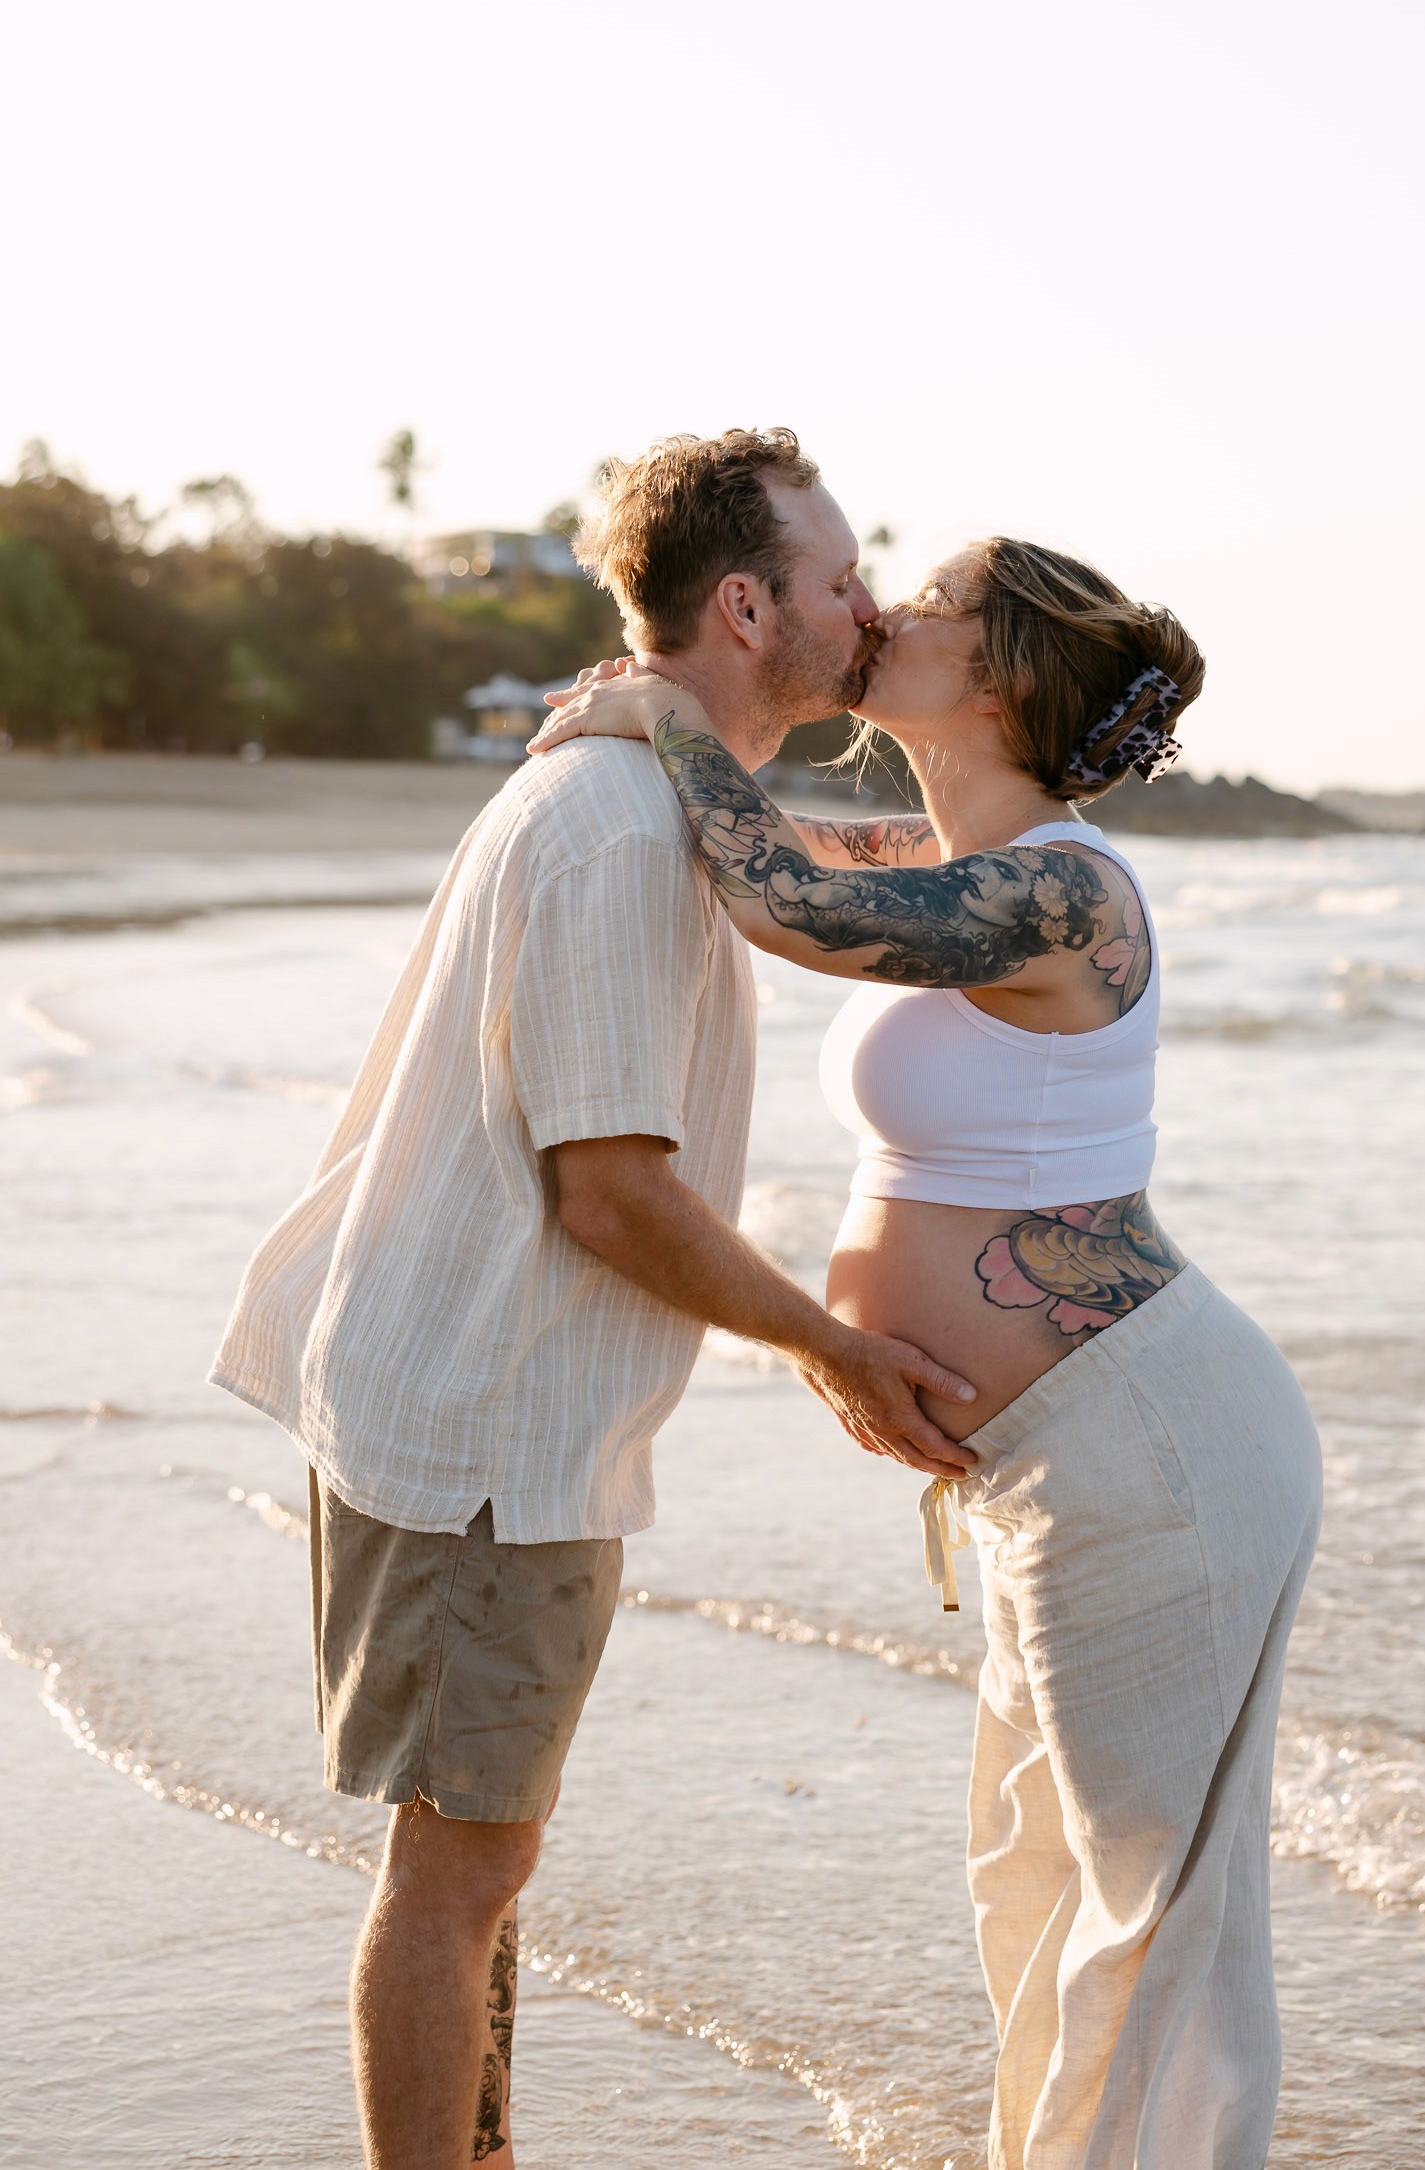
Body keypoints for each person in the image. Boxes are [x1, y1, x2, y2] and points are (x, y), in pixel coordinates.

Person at [209, 427, 977, 2170]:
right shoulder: (620, 828)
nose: (866, 607)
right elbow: (611, 1192)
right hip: (489, 1418)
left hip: (475, 1399)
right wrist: (834, 1348)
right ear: (744, 605)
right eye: (841, 580)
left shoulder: (661, 795)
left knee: (478, 1853)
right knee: (458, 1869)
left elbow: (834, 868)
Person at [530, 537, 1324, 2170]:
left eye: (933, 604)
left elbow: (789, 900)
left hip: (1152, 1443)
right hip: (1068, 1460)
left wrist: (657, 709)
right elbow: (773, 855)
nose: (887, 609)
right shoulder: (957, 845)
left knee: (1149, 1906)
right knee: (1036, 1875)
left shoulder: (1066, 883)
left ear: (1001, 673)